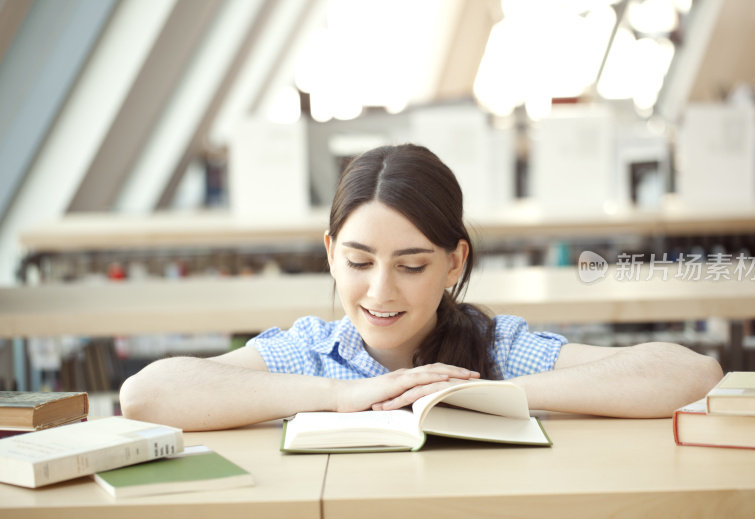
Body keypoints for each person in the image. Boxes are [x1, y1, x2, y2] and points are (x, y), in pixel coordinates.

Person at [120, 143, 723, 431]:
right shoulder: (306, 353)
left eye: (411, 266)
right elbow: (145, 396)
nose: (381, 292)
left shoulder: (495, 350)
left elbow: (693, 375)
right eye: (358, 262)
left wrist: (481, 396)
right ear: (330, 255)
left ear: (455, 263)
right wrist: (340, 396)